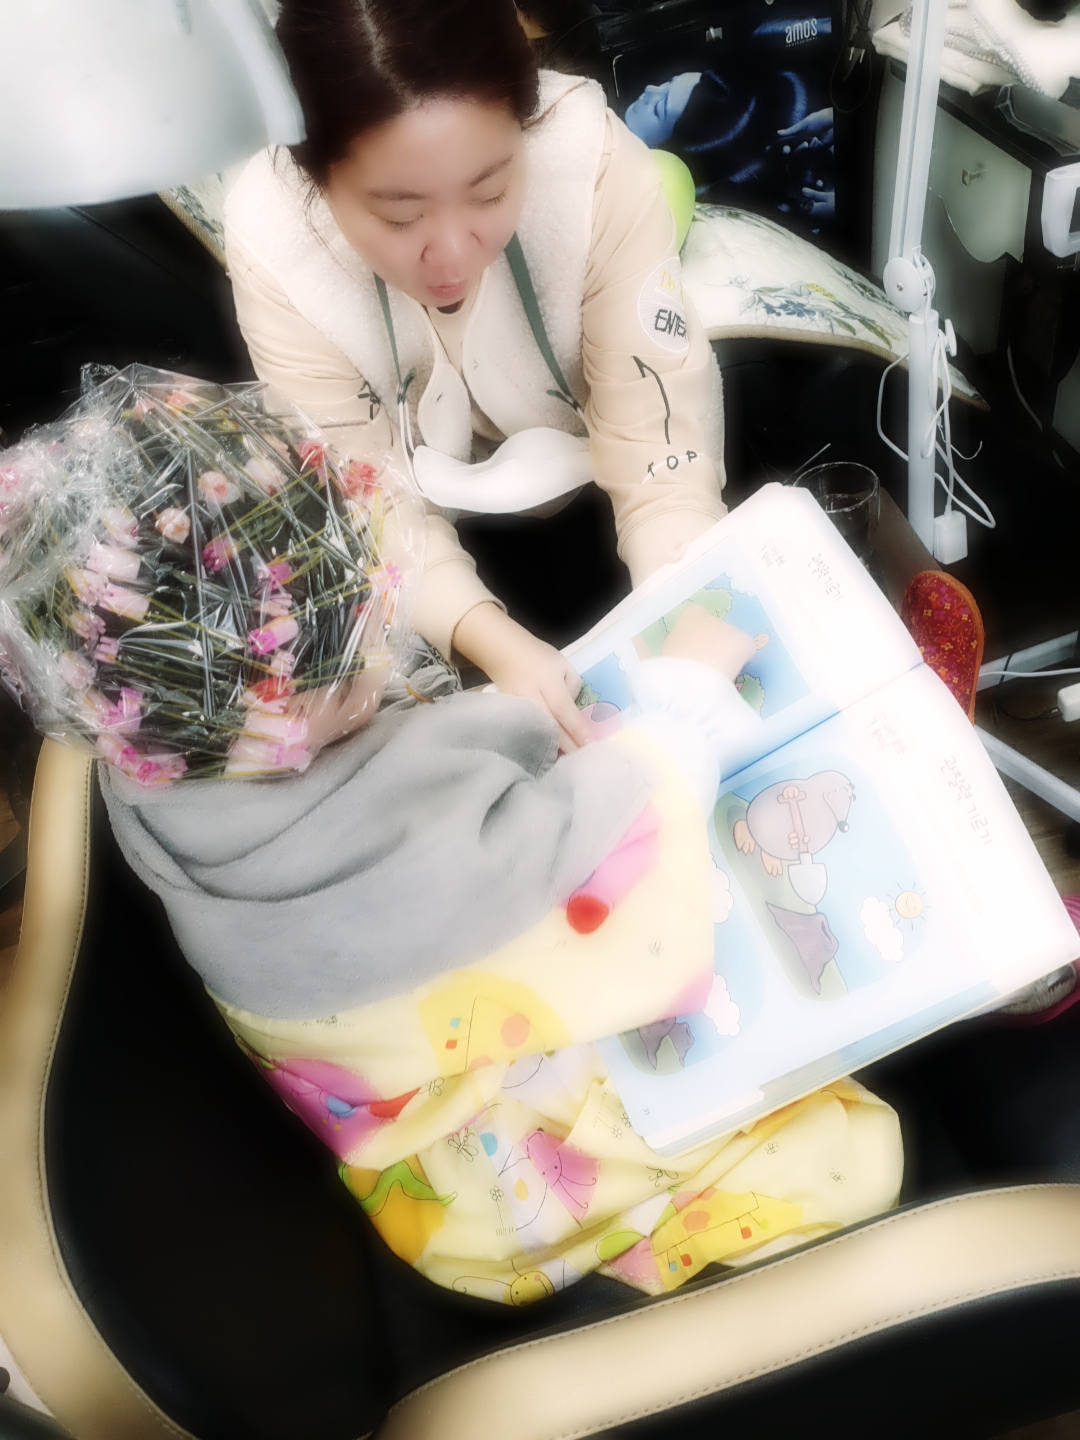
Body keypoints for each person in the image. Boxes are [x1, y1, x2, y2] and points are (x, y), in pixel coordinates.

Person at [104, 603, 903, 1304]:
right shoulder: (398, 855)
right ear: (286, 698)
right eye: (363, 621)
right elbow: (599, 861)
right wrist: (685, 697)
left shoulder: (154, 763)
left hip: (411, 1132)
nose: (387, 620)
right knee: (849, 1159)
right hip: (501, 1184)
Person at [223, 0, 728, 753]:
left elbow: (657, 448)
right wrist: (489, 639)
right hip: (428, 551)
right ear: (316, 176)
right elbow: (362, 492)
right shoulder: (277, 242)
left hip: (602, 492)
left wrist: (684, 603)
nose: (454, 255)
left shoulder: (589, 163)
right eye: (400, 217)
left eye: (490, 193)